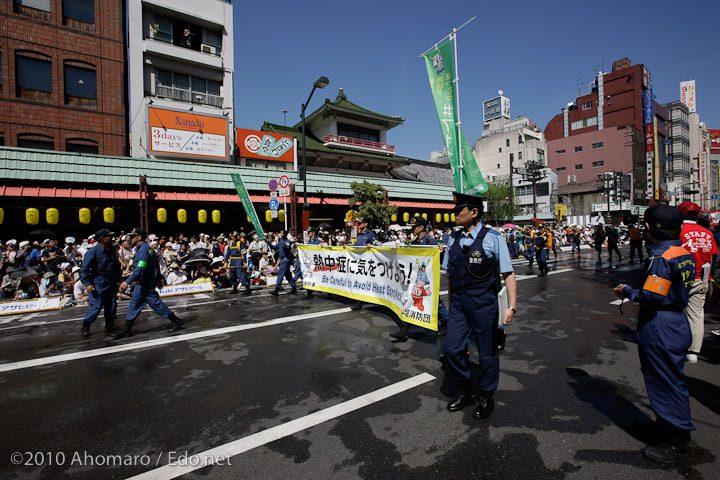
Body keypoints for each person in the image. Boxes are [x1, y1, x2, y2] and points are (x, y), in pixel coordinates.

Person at [613, 205, 696, 463]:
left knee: (665, 382)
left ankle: (678, 442)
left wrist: (627, 290)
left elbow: (652, 294)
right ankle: (665, 427)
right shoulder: (683, 252)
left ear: (648, 228)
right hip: (676, 321)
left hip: (660, 324)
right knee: (668, 377)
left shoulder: (660, 257)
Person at [443, 192, 517, 420]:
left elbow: (508, 274)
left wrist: (511, 306)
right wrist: (451, 301)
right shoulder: (453, 239)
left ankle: (486, 394)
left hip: (483, 302)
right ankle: (466, 388)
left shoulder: (493, 237)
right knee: (451, 348)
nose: (454, 214)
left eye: (459, 210)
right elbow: (450, 274)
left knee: (487, 353)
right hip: (459, 304)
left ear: (474, 212)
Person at [113, 227, 183, 340]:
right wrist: (159, 279)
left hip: (145, 283)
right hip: (143, 283)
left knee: (155, 304)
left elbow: (140, 268)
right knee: (134, 305)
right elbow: (155, 265)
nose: (129, 238)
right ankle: (127, 328)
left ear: (139, 237)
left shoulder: (143, 251)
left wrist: (127, 281)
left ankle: (176, 320)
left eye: (132, 236)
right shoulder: (146, 249)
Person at [390, 215, 449, 341]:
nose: (412, 230)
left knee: (435, 303)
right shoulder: (414, 243)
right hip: (415, 279)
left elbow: (440, 259)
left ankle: (446, 322)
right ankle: (405, 330)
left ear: (421, 227)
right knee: (409, 300)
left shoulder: (431, 242)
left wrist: (440, 252)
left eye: (414, 227)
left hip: (429, 279)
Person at [678, 201, 718, 364]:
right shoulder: (707, 233)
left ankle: (676, 343)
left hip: (683, 277)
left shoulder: (679, 231)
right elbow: (712, 255)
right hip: (703, 277)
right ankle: (693, 351)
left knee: (674, 311)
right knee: (696, 314)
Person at [80, 228, 121, 337]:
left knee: (111, 304)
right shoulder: (93, 252)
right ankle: (86, 324)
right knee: (96, 305)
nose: (111, 238)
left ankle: (110, 324)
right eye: (108, 236)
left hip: (110, 280)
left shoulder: (112, 249)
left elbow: (116, 264)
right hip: (98, 281)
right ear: (102, 239)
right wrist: (88, 283)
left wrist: (118, 277)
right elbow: (84, 270)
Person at [270, 230, 297, 296]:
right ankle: (294, 287)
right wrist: (269, 243)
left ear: (286, 235)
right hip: (282, 259)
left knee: (280, 274)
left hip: (285, 259)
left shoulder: (287, 242)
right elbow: (274, 247)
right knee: (287, 275)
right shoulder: (281, 241)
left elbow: (287, 246)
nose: (281, 235)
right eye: (281, 234)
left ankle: (277, 289)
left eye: (283, 234)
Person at [299, 228, 321, 300]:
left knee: (318, 277)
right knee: (308, 276)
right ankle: (309, 293)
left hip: (314, 263)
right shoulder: (309, 241)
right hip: (309, 263)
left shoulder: (316, 241)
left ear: (313, 233)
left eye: (309, 232)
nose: (308, 233)